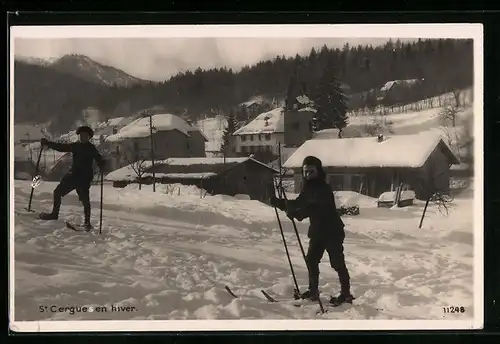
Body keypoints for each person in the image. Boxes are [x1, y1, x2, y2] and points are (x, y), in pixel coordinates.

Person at [270, 155, 354, 306]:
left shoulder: (324, 188)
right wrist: (281, 204)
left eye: (311, 171)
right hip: (317, 231)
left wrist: (296, 213)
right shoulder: (307, 187)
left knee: (337, 263)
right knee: (311, 260)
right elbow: (299, 203)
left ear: (318, 171)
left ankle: (346, 294)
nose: (307, 175)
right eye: (305, 172)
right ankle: (313, 290)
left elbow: (313, 207)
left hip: (332, 231)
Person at [39, 125, 105, 231]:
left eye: (85, 135)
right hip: (73, 175)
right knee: (57, 192)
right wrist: (48, 143)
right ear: (79, 136)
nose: (83, 137)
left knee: (85, 200)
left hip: (84, 178)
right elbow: (61, 147)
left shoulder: (91, 148)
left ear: (89, 137)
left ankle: (87, 223)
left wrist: (102, 163)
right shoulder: (75, 146)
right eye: (81, 135)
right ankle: (54, 214)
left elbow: (99, 159)